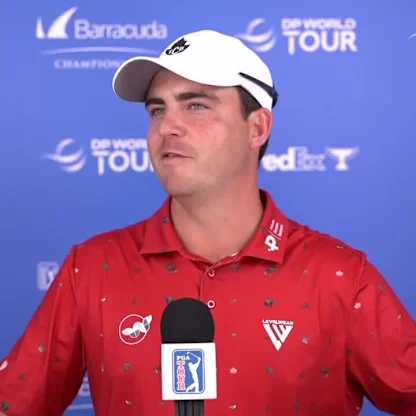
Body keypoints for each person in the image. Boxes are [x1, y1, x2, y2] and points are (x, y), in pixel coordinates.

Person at [0, 29, 415, 416]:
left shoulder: (340, 276)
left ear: (257, 127)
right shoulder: (91, 268)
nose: (167, 126)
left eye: (196, 105)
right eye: (157, 110)